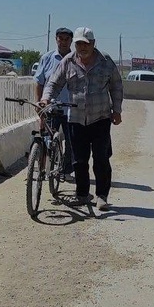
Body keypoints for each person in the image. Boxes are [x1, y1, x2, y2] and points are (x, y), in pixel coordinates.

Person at [41, 27, 123, 211]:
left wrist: (117, 110)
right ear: (75, 45)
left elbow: (116, 85)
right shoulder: (68, 61)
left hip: (100, 118)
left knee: (101, 159)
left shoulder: (105, 61)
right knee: (79, 160)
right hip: (76, 119)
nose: (82, 47)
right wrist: (46, 97)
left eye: (86, 43)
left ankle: (102, 196)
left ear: (93, 44)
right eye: (79, 43)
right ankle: (82, 194)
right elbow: (54, 82)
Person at [34, 27, 74, 181]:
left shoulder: (75, 58)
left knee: (71, 142)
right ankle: (43, 169)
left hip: (71, 108)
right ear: (56, 39)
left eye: (66, 39)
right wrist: (39, 102)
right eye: (60, 39)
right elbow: (39, 82)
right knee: (47, 139)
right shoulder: (47, 58)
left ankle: (66, 171)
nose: (63, 42)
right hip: (51, 107)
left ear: (71, 41)